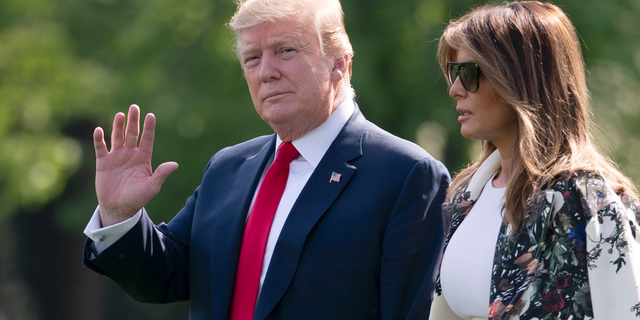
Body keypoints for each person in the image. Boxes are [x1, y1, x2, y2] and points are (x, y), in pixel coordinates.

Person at [81, 0, 450, 319]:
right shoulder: (227, 168)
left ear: (340, 64)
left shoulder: (407, 175)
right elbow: (165, 278)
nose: (266, 72)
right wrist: (119, 215)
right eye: (252, 58)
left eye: (286, 50)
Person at [430, 2, 640, 320]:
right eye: (452, 72)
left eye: (468, 73)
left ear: (518, 79)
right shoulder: (466, 193)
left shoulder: (588, 196)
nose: (454, 89)